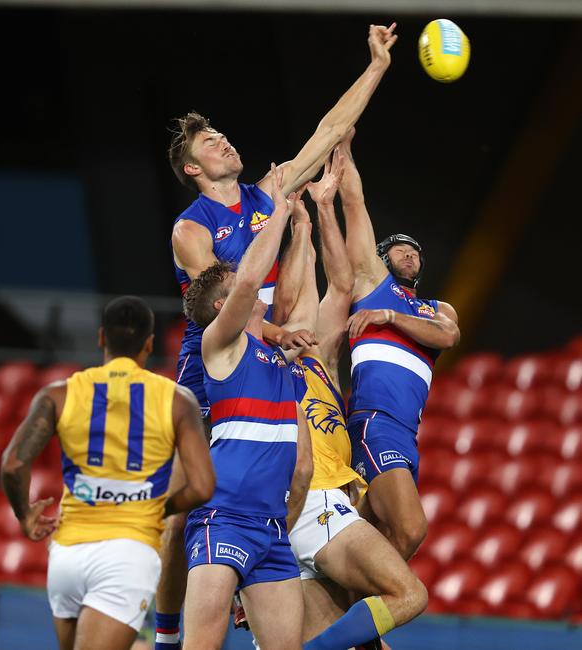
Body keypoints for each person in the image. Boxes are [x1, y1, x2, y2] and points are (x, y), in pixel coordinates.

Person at [158, 25, 398, 648]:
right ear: (193, 168)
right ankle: (165, 631)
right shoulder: (193, 228)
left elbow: (327, 131)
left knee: (290, 467)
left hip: (270, 351)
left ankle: (262, 579)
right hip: (220, 357)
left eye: (224, 135)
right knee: (186, 505)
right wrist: (275, 329)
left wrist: (376, 66)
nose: (225, 142)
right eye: (211, 142)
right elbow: (220, 304)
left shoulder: (272, 195)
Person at [0, 296, 215, 650]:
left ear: (102, 338)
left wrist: (24, 515)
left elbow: (13, 464)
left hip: (68, 554)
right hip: (126, 554)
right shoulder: (176, 399)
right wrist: (154, 507)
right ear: (149, 343)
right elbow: (202, 486)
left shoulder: (60, 393)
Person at [275, 149, 427, 649]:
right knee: (407, 595)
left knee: (359, 640)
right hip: (313, 507)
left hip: (322, 514)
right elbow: (295, 290)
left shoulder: (318, 361)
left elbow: (339, 283)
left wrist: (316, 215)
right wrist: (293, 228)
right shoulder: (265, 366)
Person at [180, 166, 313, 650]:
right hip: (225, 515)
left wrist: (305, 230)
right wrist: (276, 212)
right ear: (223, 305)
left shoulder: (279, 357)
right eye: (235, 286)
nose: (248, 285)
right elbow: (253, 273)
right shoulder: (220, 344)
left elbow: (302, 468)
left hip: (273, 528)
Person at [339, 131, 460, 560]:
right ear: (382, 259)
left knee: (363, 538)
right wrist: (343, 147)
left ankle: (332, 612)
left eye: (415, 253)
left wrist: (391, 318)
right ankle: (361, 627)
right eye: (400, 251)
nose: (409, 255)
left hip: (407, 433)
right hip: (375, 420)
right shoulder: (374, 286)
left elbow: (448, 336)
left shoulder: (436, 308)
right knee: (409, 530)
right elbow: (355, 205)